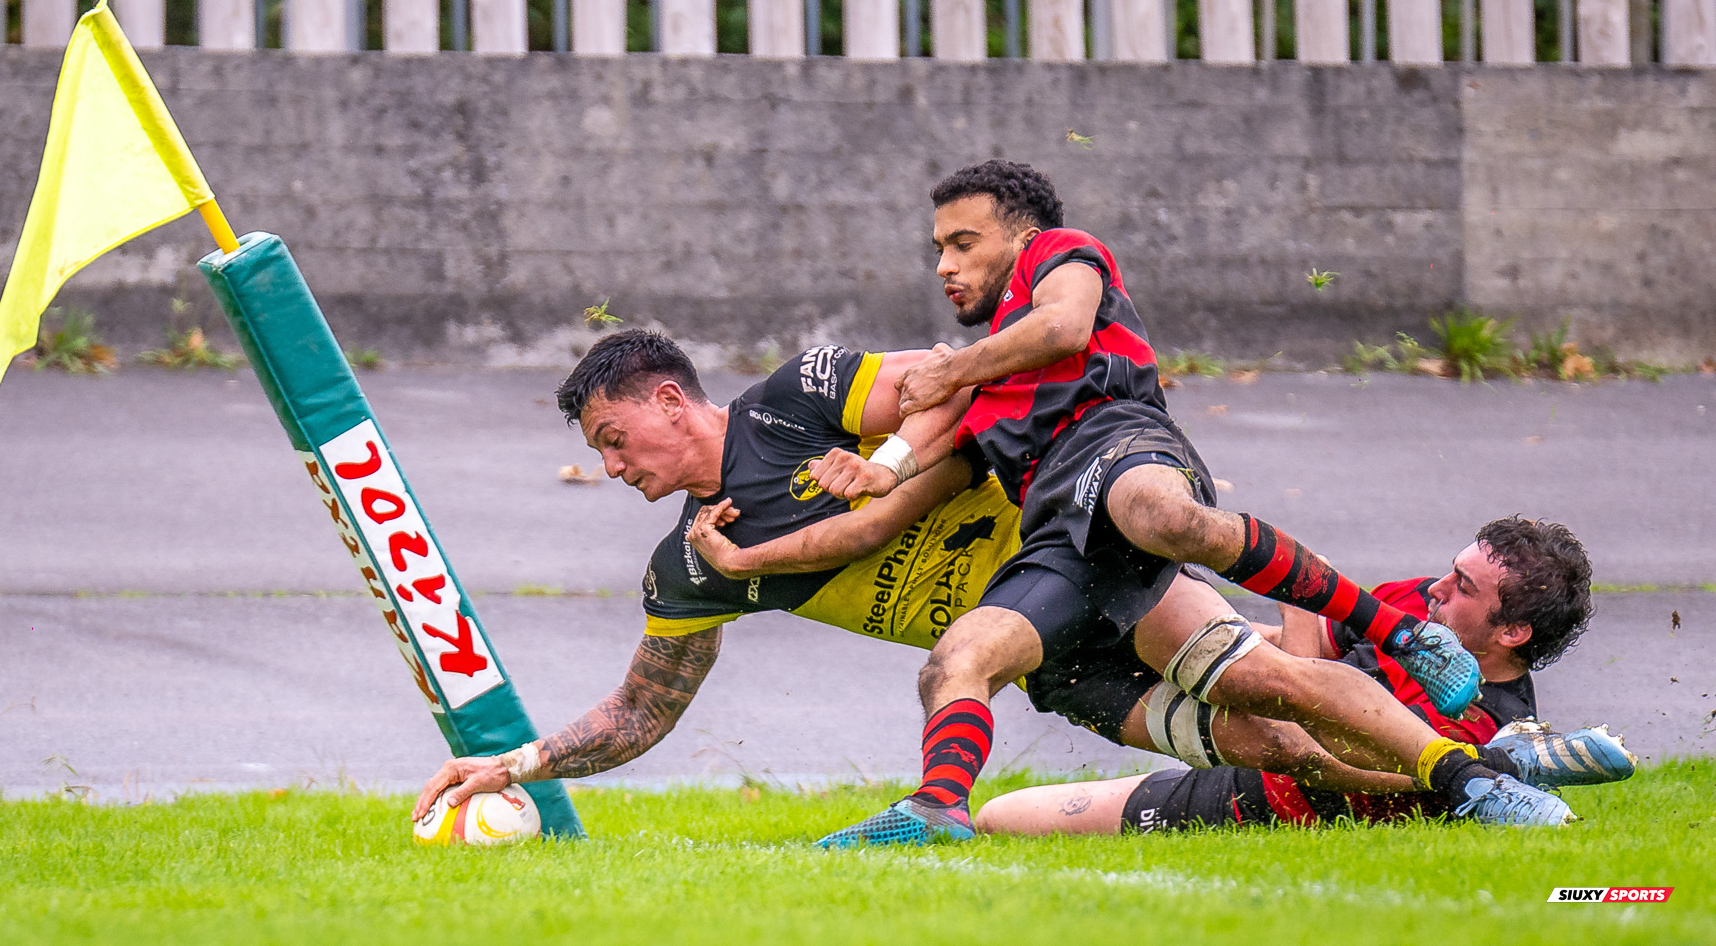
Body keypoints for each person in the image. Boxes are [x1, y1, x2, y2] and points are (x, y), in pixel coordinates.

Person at [410, 334, 1606, 829]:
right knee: (1271, 746)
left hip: (1079, 555)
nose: (612, 468)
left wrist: (879, 469)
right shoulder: (689, 564)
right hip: (1052, 660)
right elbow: (639, 713)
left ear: (673, 400)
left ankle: (1479, 768)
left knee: (1280, 684)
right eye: (600, 455)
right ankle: (1465, 790)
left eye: (618, 438)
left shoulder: (802, 392)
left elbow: (958, 382)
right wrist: (511, 764)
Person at [811, 161, 1571, 846]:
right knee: (961, 662)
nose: (945, 265)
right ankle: (937, 811)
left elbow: (1066, 323)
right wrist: (869, 476)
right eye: (938, 248)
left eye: (962, 243)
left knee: (1165, 520)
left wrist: (950, 377)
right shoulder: (980, 389)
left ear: (1021, 236)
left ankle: (1400, 636)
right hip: (1060, 539)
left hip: (1114, 441)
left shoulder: (1059, 254)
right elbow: (902, 482)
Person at [975, 518, 1634, 835]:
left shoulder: (1479, 710)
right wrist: (1219, 643)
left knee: (1001, 820)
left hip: (1261, 800)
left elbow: (1301, 710)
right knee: (1136, 590)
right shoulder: (1418, 607)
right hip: (1251, 727)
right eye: (1450, 570)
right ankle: (1503, 767)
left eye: (1462, 588)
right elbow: (1307, 648)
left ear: (1512, 632)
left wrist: (1295, 591)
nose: (1434, 590)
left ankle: (1497, 768)